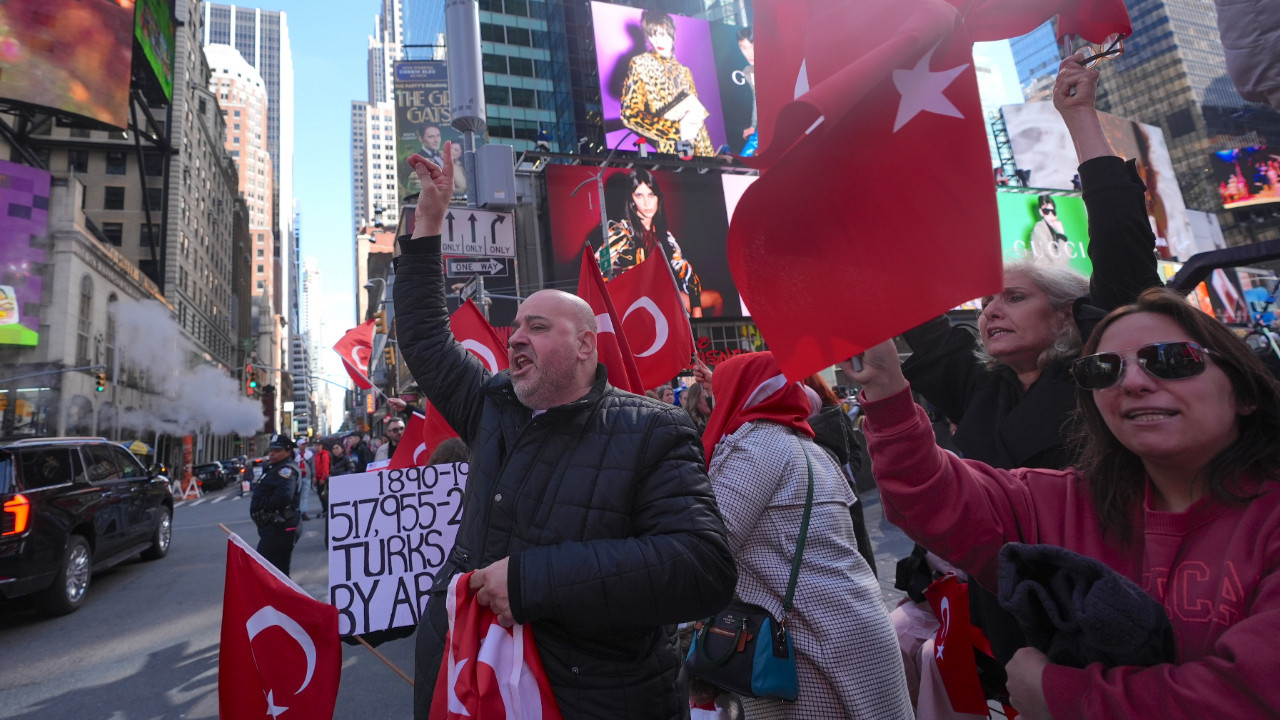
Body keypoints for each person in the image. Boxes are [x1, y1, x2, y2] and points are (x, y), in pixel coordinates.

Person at [397, 143, 737, 719]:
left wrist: (530, 583)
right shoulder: (493, 409)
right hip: (468, 689)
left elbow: (701, 568)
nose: (516, 338)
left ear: (585, 344)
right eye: (516, 328)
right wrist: (429, 222)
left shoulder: (654, 431)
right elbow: (427, 339)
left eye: (537, 325)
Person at [845, 287, 1280, 719]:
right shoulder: (1062, 500)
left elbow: (1250, 697)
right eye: (1103, 370)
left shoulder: (1268, 521)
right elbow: (932, 498)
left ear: (1244, 392)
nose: (1131, 382)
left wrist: (1062, 693)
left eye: (1170, 360)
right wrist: (885, 384)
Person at [892, 52, 1163, 668]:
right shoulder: (980, 388)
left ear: (1067, 315)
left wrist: (1080, 117)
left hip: (1096, 618)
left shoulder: (1108, 376)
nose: (989, 313)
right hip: (991, 622)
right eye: (986, 301)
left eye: (1014, 297)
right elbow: (919, 322)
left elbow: (1123, 249)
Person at [703, 352, 913, 719]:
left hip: (809, 641)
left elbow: (709, 546)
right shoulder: (804, 446)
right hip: (849, 625)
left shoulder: (756, 446)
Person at [599, 168, 720, 316]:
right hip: (634, 308)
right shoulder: (620, 232)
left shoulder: (664, 234)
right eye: (639, 195)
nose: (647, 202)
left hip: (660, 301)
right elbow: (598, 268)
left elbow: (685, 269)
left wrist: (696, 306)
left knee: (715, 299)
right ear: (631, 200)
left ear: (658, 197)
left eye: (651, 194)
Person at [620, 10, 715, 158]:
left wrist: (709, 157)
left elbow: (697, 119)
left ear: (672, 34)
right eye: (652, 35)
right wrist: (674, 130)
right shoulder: (641, 64)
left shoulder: (684, 71)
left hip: (696, 149)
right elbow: (629, 114)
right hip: (668, 150)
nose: (658, 41)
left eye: (662, 35)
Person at [249, 434, 302, 575]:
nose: (272, 453)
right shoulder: (275, 468)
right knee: (274, 573)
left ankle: (289, 598)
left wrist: (263, 504)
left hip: (281, 526)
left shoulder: (286, 470)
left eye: (277, 451)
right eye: (271, 450)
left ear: (288, 451)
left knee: (272, 572)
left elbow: (284, 496)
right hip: (273, 527)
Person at [735, 27, 758, 156]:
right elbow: (757, 98)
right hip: (765, 126)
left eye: (753, 47)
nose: (749, 53)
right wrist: (753, 126)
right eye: (744, 48)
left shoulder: (774, 64)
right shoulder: (748, 71)